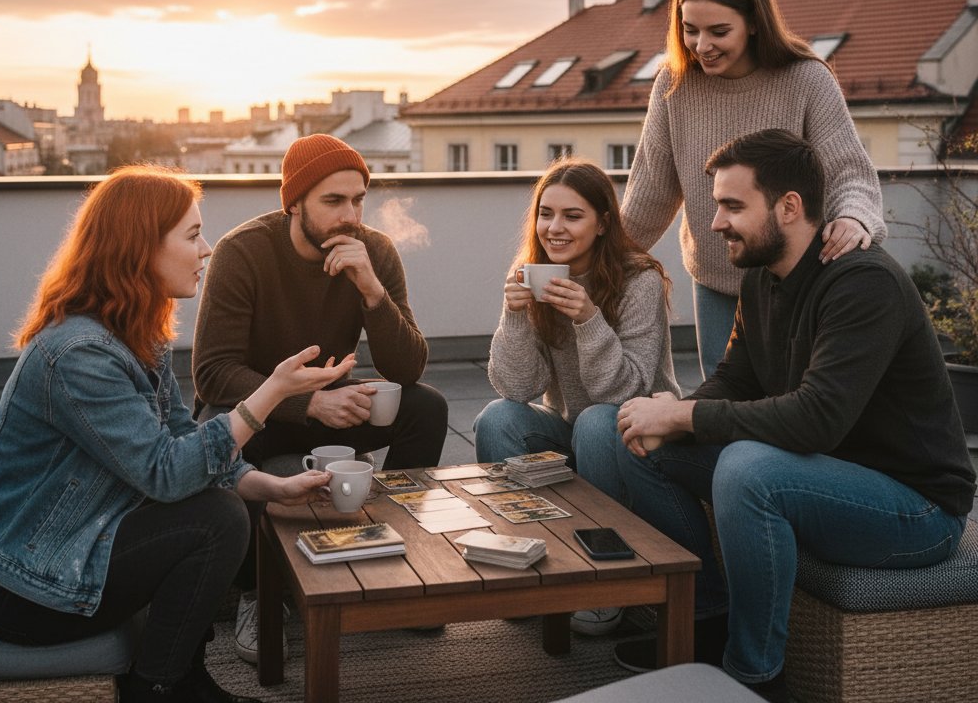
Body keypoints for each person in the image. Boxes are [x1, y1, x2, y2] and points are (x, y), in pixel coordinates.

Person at [0, 166, 356, 703]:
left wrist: (271, 486)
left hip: (72, 542)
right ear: (140, 247)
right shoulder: (79, 354)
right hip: (20, 586)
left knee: (218, 499)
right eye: (193, 235)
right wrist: (273, 392)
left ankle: (179, 675)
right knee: (214, 518)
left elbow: (180, 440)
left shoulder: (134, 334)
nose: (207, 249)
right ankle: (163, 686)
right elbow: (167, 475)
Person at [608, 129, 975, 702]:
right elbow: (738, 378)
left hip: (915, 508)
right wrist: (669, 414)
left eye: (733, 206)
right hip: (823, 473)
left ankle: (753, 678)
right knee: (636, 440)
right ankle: (705, 618)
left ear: (789, 206)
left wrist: (685, 418)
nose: (715, 223)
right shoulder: (761, 276)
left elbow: (815, 420)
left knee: (748, 470)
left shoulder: (863, 284)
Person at [191, 133, 447, 660]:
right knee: (221, 433)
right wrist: (305, 403)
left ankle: (395, 560)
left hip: (330, 404)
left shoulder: (372, 251)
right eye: (333, 201)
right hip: (260, 412)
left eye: (357, 200)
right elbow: (213, 373)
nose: (349, 214)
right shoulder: (244, 252)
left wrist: (372, 291)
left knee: (427, 406)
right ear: (295, 202)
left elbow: (409, 366)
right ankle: (257, 594)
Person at [621, 0, 887, 378]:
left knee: (796, 405)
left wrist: (855, 218)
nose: (702, 45)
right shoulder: (673, 85)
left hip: (798, 280)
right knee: (726, 402)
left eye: (718, 31)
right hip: (717, 283)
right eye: (690, 30)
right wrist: (591, 262)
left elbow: (848, 173)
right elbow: (649, 195)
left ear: (755, 22)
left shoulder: (805, 79)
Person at [474, 158, 680, 637]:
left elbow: (626, 391)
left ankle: (602, 577)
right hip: (570, 425)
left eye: (572, 215)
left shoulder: (639, 281)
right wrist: (515, 316)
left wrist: (589, 320)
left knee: (596, 420)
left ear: (603, 222)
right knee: (495, 419)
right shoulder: (535, 273)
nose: (554, 227)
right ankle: (527, 564)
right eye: (546, 214)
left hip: (636, 433)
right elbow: (516, 388)